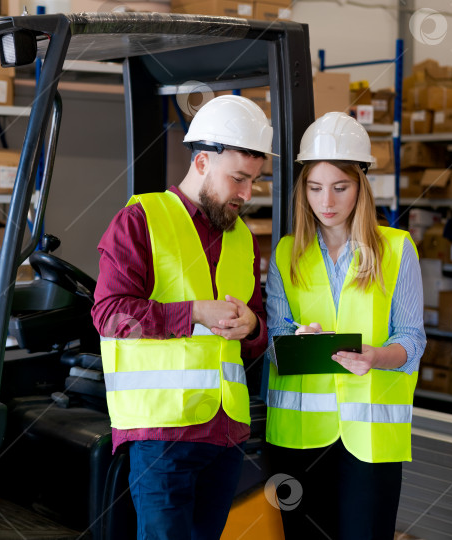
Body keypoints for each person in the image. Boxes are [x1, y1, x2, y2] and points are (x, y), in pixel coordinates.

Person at [92, 95, 272, 539]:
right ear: (204, 162)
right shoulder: (141, 219)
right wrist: (192, 313)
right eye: (239, 179)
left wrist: (252, 327)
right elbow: (109, 314)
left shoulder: (242, 239)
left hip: (225, 434)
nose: (247, 194)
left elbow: (259, 329)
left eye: (254, 182)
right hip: (162, 435)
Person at [263, 112, 426, 539]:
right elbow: (274, 337)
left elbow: (412, 337)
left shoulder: (396, 248)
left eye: (340, 187)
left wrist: (377, 357)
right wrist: (296, 340)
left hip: (369, 441)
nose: (327, 202)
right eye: (315, 188)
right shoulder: (286, 254)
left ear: (361, 185)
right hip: (298, 441)